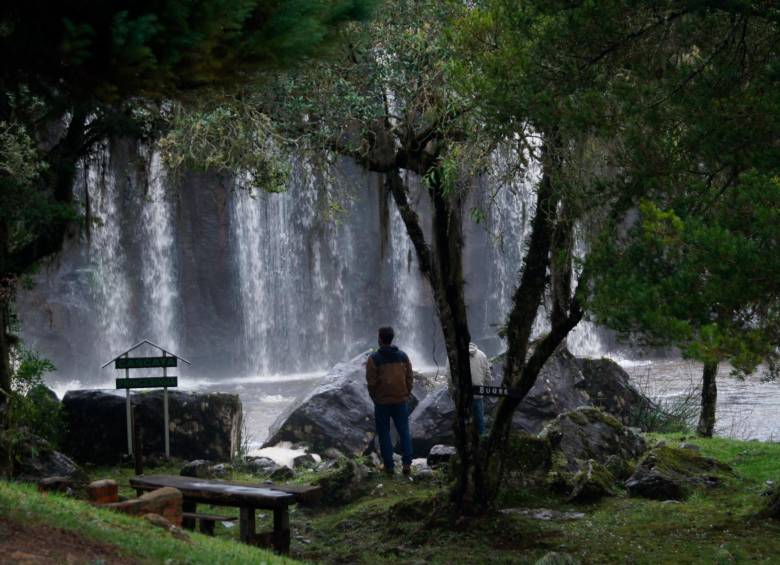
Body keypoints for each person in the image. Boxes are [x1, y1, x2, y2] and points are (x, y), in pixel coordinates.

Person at [365, 326, 414, 476]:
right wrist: (406, 392)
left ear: (380, 339)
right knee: (404, 431)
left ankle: (389, 467)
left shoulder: (373, 359)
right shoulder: (403, 356)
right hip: (400, 400)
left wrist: (375, 397)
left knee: (384, 433)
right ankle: (406, 464)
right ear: (391, 338)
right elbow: (410, 377)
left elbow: (371, 382)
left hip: (382, 402)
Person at [469, 342, 491, 436]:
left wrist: (452, 391)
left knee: (464, 418)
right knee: (480, 418)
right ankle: (481, 440)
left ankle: (465, 442)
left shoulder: (455, 354)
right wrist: (485, 388)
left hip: (462, 395)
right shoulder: (482, 355)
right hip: (478, 392)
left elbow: (449, 375)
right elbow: (487, 374)